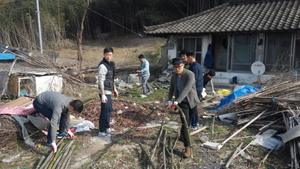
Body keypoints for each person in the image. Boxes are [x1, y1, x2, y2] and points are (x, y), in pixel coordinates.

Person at [167, 57, 200, 158]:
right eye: (175, 67)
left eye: (179, 67)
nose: (177, 69)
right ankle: (187, 147)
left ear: (183, 65)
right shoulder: (173, 77)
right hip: (183, 103)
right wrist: (169, 100)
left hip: (192, 101)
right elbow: (172, 89)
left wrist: (176, 101)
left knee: (188, 122)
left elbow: (187, 89)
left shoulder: (190, 74)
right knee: (185, 124)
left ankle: (182, 135)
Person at [97, 47, 119, 137]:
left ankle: (107, 127)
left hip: (109, 90)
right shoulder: (102, 66)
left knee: (109, 109)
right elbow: (101, 81)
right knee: (105, 111)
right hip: (104, 91)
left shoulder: (111, 65)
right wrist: (102, 95)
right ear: (104, 55)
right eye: (106, 55)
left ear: (112, 54)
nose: (108, 57)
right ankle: (101, 131)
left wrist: (114, 89)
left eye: (110, 55)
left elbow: (111, 79)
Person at [186, 51, 203, 130]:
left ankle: (194, 124)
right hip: (198, 88)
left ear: (190, 57)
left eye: (187, 58)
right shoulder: (197, 65)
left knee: (192, 108)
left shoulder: (194, 67)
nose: (186, 60)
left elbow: (193, 80)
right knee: (194, 107)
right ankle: (196, 123)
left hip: (195, 90)